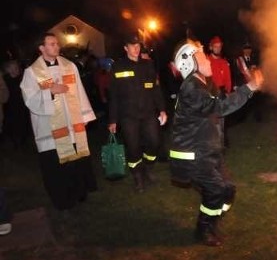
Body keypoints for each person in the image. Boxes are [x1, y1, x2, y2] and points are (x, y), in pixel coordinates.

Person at [169, 40, 263, 246]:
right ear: (188, 63)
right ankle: (203, 229)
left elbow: (224, 102)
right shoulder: (191, 88)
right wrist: (248, 88)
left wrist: (249, 85)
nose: (207, 59)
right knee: (216, 190)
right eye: (201, 56)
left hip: (208, 150)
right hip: (194, 154)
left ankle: (212, 222)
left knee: (228, 190)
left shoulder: (204, 84)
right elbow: (219, 107)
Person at [20, 32, 97, 210]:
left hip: (72, 124)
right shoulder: (32, 72)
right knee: (55, 166)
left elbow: (79, 91)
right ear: (42, 48)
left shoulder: (69, 66)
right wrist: (51, 91)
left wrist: (84, 116)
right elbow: (29, 99)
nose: (57, 46)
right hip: (49, 128)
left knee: (75, 161)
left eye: (56, 43)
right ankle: (62, 199)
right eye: (52, 44)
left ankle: (80, 192)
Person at [108, 34, 167, 192]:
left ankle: (148, 168)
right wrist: (113, 119)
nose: (136, 48)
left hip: (148, 113)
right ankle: (138, 178)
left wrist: (162, 109)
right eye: (132, 46)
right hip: (128, 116)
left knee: (154, 143)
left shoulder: (148, 65)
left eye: (138, 46)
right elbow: (113, 95)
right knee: (133, 148)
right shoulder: (117, 67)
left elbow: (155, 89)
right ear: (125, 48)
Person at [3, 60, 31, 148]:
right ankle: (15, 142)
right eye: (13, 68)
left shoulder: (22, 78)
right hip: (10, 106)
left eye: (16, 68)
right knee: (12, 124)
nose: (16, 70)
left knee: (24, 123)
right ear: (8, 69)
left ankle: (23, 141)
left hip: (22, 105)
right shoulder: (5, 80)